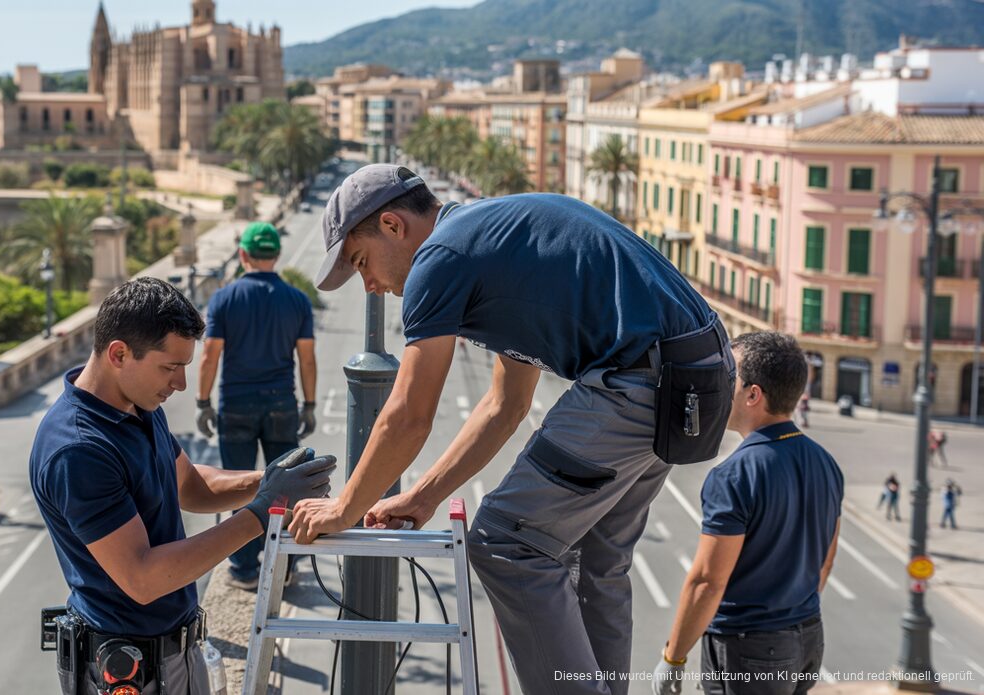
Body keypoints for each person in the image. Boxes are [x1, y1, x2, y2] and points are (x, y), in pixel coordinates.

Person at [288, 164, 735, 695]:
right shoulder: (488, 242)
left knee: (506, 542)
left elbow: (409, 413)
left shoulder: (440, 258)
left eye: (361, 263)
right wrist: (424, 496)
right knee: (597, 558)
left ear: (392, 225)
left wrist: (344, 509)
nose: (371, 285)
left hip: (640, 379)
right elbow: (506, 403)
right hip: (692, 375)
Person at [29, 278, 335, 695]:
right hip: (130, 667)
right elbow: (144, 578)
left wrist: (266, 481)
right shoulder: (79, 450)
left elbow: (191, 487)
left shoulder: (136, 403)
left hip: (174, 654)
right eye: (170, 367)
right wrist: (264, 510)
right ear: (119, 353)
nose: (181, 384)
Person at [651, 331, 843, 695]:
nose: (722, 386)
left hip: (749, 646)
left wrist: (673, 658)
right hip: (807, 636)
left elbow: (708, 581)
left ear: (753, 395)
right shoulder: (826, 462)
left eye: (730, 378)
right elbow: (826, 561)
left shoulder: (733, 475)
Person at [194, 221, 318, 590]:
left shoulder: (223, 299)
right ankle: (285, 563)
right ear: (276, 255)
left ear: (244, 255)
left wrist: (203, 402)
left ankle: (245, 569)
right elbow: (307, 360)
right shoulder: (297, 300)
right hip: (282, 402)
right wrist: (309, 404)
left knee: (237, 483)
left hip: (235, 403)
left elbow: (209, 356)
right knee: (289, 486)